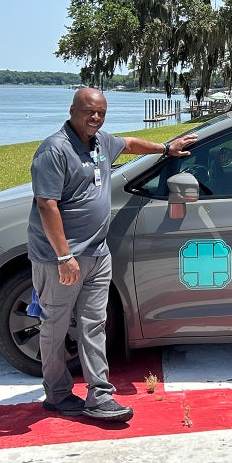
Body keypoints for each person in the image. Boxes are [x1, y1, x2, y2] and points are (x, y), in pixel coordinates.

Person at [28, 87, 198, 422]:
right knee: (55, 326)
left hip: (97, 252)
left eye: (101, 113)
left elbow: (132, 144)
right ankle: (57, 394)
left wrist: (166, 148)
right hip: (61, 259)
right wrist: (64, 258)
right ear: (73, 110)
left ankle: (99, 396)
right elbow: (46, 205)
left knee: (94, 324)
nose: (95, 118)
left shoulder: (102, 142)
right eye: (89, 112)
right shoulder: (55, 150)